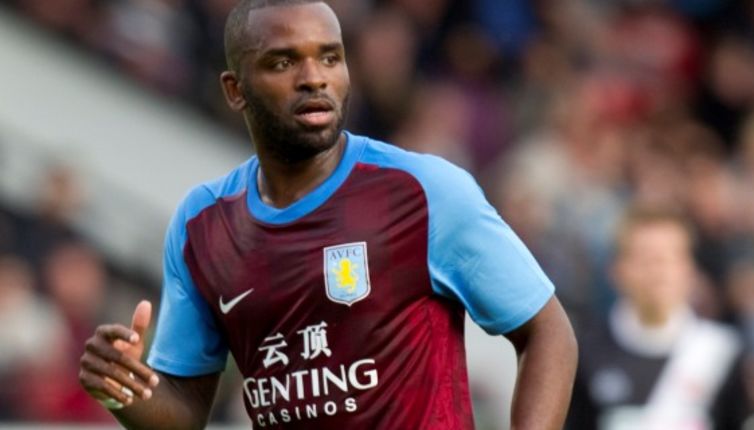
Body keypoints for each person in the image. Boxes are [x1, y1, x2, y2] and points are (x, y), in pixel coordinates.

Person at [78, 1, 578, 429]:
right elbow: (185, 412)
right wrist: (123, 390)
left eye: (330, 57)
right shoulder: (202, 225)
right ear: (235, 90)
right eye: (283, 62)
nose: (314, 77)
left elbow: (547, 333)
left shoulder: (423, 191)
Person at [566, 206, 749, 430]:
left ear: (690, 269)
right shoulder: (585, 352)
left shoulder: (721, 352)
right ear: (617, 270)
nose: (659, 271)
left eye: (671, 257)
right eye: (646, 258)